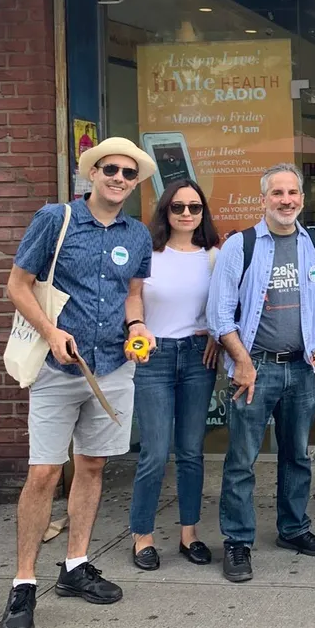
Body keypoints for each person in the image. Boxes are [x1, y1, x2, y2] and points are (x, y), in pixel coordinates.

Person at [0, 138, 156, 628]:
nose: (118, 178)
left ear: (135, 182)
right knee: (44, 472)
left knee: (91, 466)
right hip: (57, 369)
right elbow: (18, 284)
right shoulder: (56, 218)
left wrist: (138, 327)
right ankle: (24, 583)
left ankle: (75, 565)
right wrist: (50, 332)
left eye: (128, 173)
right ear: (93, 172)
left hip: (112, 367)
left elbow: (133, 293)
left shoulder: (137, 234)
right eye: (110, 169)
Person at [207, 163, 315, 584]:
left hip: (301, 368)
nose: (286, 200)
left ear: (302, 197)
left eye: (293, 192)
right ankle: (237, 541)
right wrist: (242, 361)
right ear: (263, 199)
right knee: (242, 460)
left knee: (297, 455)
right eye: (278, 193)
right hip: (257, 368)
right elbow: (219, 314)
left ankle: (294, 528)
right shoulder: (240, 246)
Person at [129, 180, 221, 571]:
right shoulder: (148, 252)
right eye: (178, 207)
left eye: (194, 207)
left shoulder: (214, 256)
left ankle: (189, 534)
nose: (186, 214)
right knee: (154, 451)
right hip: (155, 356)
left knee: (190, 451)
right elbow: (133, 296)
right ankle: (142, 535)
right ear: (165, 210)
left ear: (203, 213)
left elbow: (225, 304)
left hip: (198, 357)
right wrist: (135, 326)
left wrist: (216, 332)